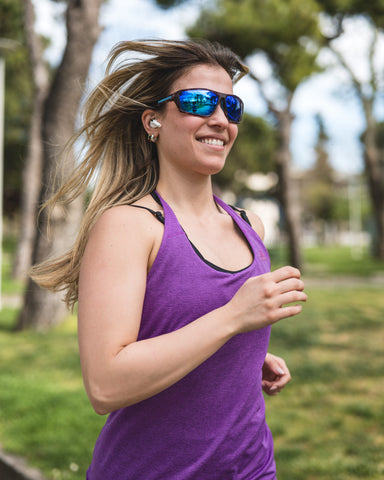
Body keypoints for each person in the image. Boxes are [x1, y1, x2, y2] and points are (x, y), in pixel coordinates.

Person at [31, 39, 307, 480]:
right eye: (198, 101)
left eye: (230, 107)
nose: (219, 119)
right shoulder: (129, 225)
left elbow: (187, 324)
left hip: (252, 468)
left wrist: (243, 356)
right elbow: (105, 384)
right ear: (153, 120)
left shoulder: (249, 224)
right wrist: (234, 319)